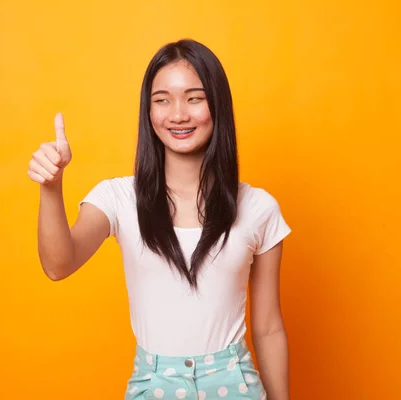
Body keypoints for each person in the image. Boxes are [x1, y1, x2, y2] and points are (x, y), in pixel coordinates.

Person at [28, 39, 291, 400]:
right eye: (162, 100)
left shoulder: (259, 208)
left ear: (218, 105)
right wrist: (51, 187)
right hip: (152, 388)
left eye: (194, 98)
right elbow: (59, 264)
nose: (178, 114)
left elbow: (268, 328)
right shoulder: (118, 198)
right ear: (147, 111)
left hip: (238, 387)